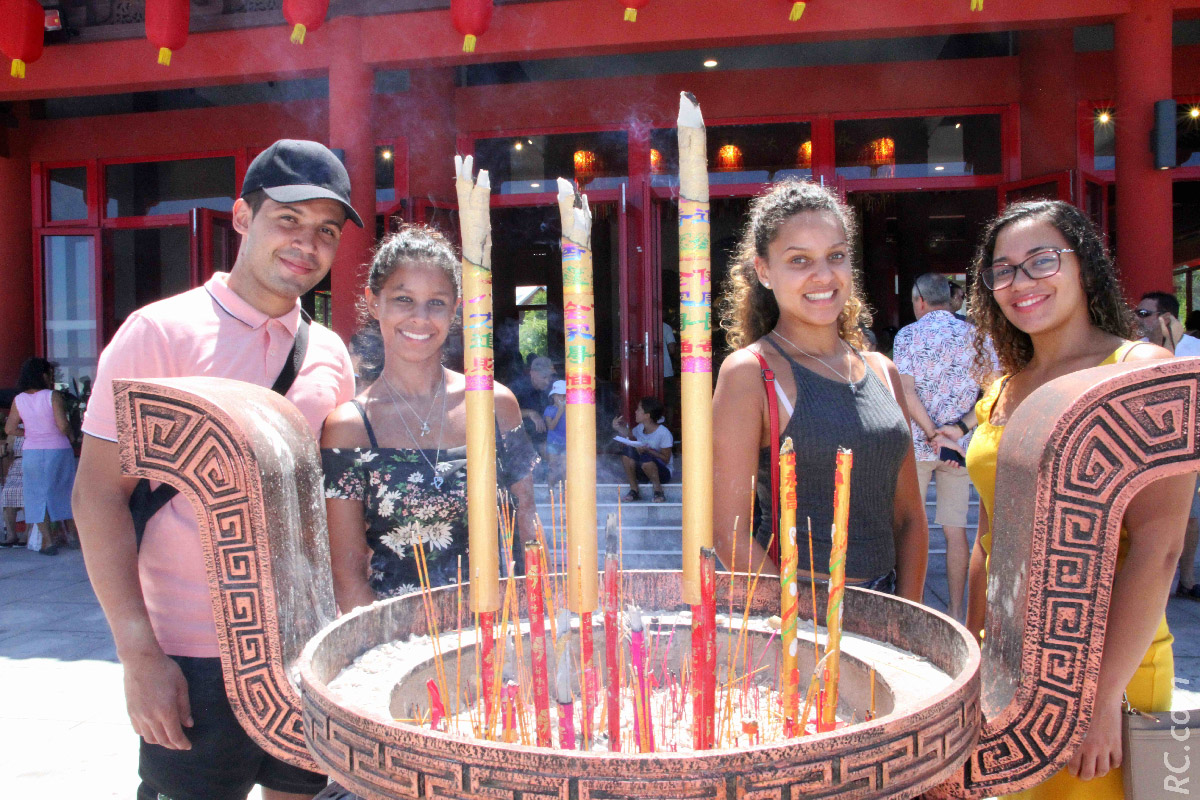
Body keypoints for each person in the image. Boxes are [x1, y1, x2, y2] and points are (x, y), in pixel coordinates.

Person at [72, 139, 360, 800]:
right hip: (193, 652)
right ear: (241, 217)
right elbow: (96, 496)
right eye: (288, 220)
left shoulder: (330, 354)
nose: (305, 243)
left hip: (300, 646)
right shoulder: (158, 333)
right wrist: (139, 653)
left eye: (325, 231)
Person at [965, 200, 1195, 795]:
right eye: (1004, 270)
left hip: (1111, 662)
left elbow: (1159, 546)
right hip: (1010, 665)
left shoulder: (1140, 369)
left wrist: (1101, 695)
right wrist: (968, 661)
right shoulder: (1001, 389)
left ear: (1085, 268)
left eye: (1042, 261)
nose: (1021, 282)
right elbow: (990, 540)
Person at [710, 179, 928, 601]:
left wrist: (909, 615)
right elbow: (728, 535)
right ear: (764, 271)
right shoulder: (750, 373)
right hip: (799, 613)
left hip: (889, 607)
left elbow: (910, 519)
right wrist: (805, 627)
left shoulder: (883, 371)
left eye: (836, 256)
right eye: (799, 260)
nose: (823, 275)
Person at [322, 225, 539, 609]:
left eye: (436, 302)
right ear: (375, 303)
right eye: (404, 299)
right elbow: (348, 569)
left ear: (456, 308)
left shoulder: (494, 405)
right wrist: (383, 657)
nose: (420, 318)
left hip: (501, 632)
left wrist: (540, 624)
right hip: (398, 645)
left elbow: (527, 529)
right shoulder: (349, 428)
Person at [893, 272, 995, 620]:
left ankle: (913, 606)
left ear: (920, 300)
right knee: (956, 531)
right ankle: (955, 610)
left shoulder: (908, 335)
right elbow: (993, 392)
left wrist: (932, 432)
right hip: (960, 448)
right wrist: (958, 429)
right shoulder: (978, 335)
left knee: (912, 526)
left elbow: (907, 392)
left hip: (920, 447)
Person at [6, 357, 77, 555]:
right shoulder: (52, 396)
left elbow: (10, 428)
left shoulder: (18, 399)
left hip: (32, 452)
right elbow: (62, 425)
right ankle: (72, 536)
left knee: (36, 495)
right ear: (43, 375)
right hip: (58, 449)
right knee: (64, 491)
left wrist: (29, 432)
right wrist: (72, 436)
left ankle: (48, 541)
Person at [612, 396, 673, 503]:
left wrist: (648, 450)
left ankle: (658, 491)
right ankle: (634, 490)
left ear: (647, 415)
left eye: (639, 409)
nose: (635, 412)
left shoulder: (663, 433)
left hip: (662, 473)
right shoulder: (640, 428)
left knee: (646, 459)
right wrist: (617, 427)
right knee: (627, 452)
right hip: (643, 469)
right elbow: (629, 433)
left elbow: (666, 459)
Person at [1136, 291, 1200, 356]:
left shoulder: (1196, 349)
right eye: (1135, 313)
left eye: (1142, 313)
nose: (1136, 318)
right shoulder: (1136, 349)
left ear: (1166, 318)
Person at [1, 430, 24, 547]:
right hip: (16, 465)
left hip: (31, 463)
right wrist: (5, 451)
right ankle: (11, 535)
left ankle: (26, 534)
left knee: (24, 492)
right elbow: (9, 452)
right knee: (7, 492)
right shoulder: (14, 430)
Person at [543, 379, 567, 485]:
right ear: (553, 397)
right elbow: (551, 426)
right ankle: (550, 493)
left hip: (567, 443)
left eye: (563, 395)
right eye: (557, 395)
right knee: (552, 468)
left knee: (564, 469)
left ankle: (567, 494)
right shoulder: (549, 409)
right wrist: (560, 411)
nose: (560, 398)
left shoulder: (573, 410)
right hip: (553, 443)